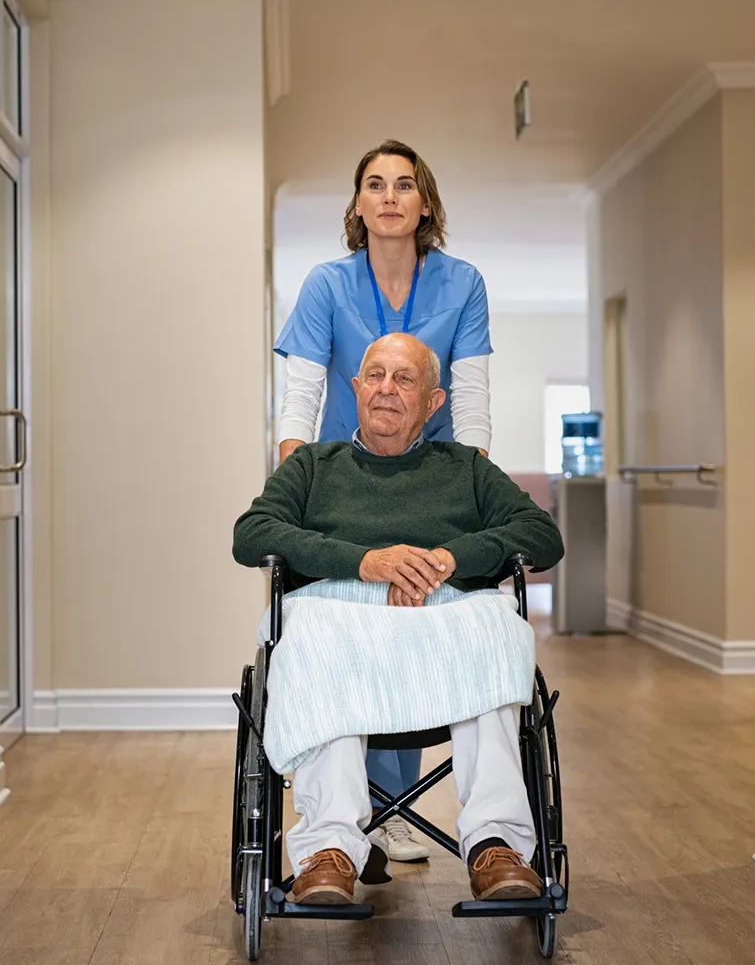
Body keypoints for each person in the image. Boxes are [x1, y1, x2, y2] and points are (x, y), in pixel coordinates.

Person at [233, 334, 564, 905]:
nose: (386, 388)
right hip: (340, 624)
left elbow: (541, 536)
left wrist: (449, 559)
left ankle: (495, 844)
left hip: (447, 627)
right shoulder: (313, 465)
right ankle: (328, 851)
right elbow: (252, 534)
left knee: (496, 623)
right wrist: (365, 563)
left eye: (404, 379)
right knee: (308, 635)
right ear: (356, 388)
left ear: (434, 402)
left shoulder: (466, 469)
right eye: (375, 376)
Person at [274, 139, 493, 862]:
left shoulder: (461, 284)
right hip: (348, 468)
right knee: (343, 613)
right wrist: (296, 483)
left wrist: (474, 484)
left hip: (431, 467)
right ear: (359, 204)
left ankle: (388, 809)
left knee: (419, 614)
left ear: (423, 203)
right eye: (376, 184)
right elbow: (303, 391)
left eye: (405, 184)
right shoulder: (326, 285)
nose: (391, 196)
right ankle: (349, 814)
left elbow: (473, 392)